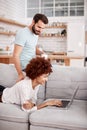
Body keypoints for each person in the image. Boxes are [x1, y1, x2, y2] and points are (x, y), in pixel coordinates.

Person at [13, 13, 48, 82]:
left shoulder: (36, 33)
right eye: (39, 27)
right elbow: (15, 55)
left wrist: (42, 53)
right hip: (24, 68)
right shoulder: (22, 33)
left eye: (43, 28)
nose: (40, 30)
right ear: (33, 22)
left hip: (32, 66)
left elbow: (32, 48)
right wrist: (20, 74)